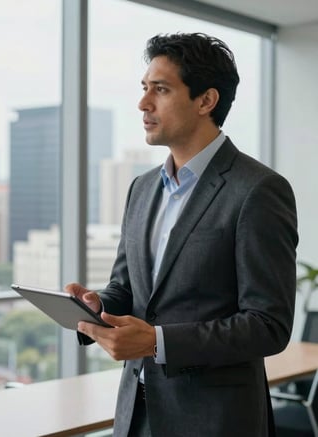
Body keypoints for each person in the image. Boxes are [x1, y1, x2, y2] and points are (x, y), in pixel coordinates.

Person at [66, 32, 298, 437]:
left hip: (215, 421)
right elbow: (128, 288)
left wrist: (157, 342)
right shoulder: (141, 188)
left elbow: (268, 325)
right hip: (135, 414)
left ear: (206, 101)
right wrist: (96, 303)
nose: (143, 104)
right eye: (144, 89)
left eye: (161, 89)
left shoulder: (258, 190)